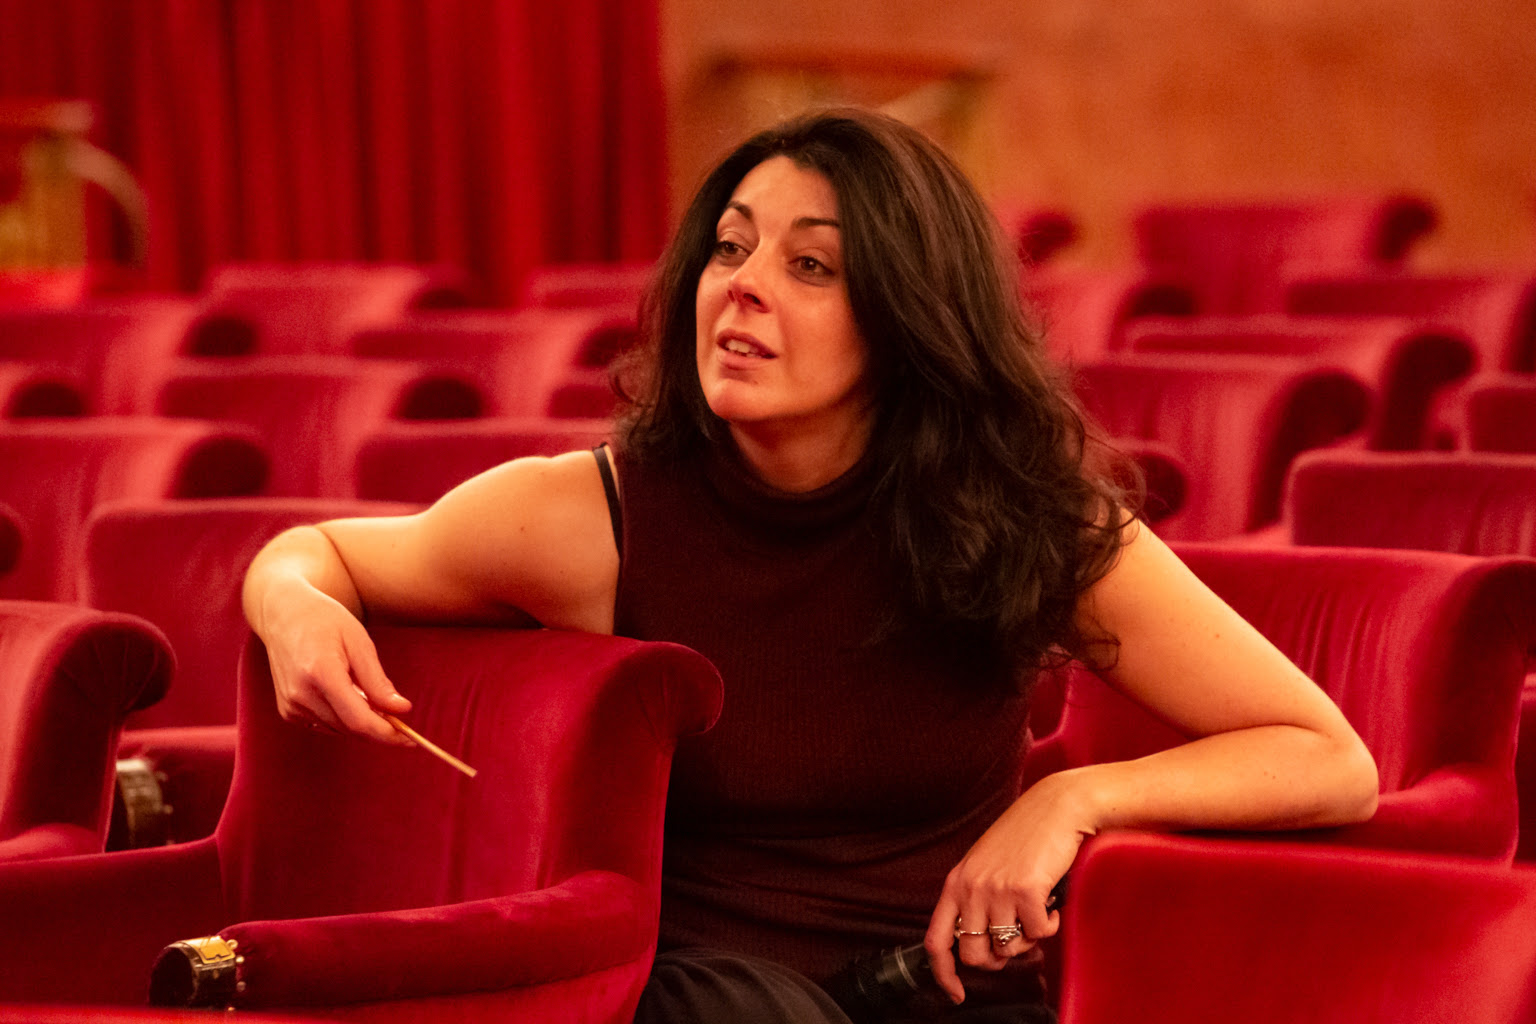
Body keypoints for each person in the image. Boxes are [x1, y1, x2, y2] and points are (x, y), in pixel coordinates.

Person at [242, 108, 1379, 1023]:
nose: (744, 284)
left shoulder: (1018, 515)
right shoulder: (589, 513)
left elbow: (1327, 756)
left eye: (811, 266)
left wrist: (1075, 797)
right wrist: (295, 605)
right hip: (702, 997)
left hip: (941, 995)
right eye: (730, 247)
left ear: (909, 319)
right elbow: (313, 552)